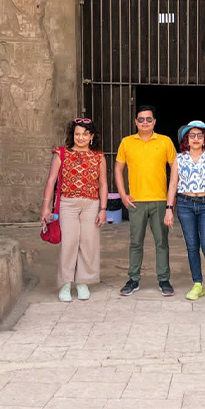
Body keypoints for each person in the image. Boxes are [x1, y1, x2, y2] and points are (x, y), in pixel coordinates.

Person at [41, 118, 107, 302]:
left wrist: (103, 208)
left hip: (91, 204)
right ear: (73, 135)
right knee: (69, 243)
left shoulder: (99, 157)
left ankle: (82, 282)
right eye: (77, 134)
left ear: (91, 136)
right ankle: (65, 283)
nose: (81, 137)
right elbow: (51, 181)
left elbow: (103, 183)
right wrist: (45, 208)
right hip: (67, 204)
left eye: (85, 134)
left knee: (88, 242)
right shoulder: (61, 153)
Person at [115, 105, 177, 296]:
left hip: (160, 200)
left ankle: (164, 279)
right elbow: (118, 169)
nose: (144, 122)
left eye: (149, 119)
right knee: (135, 242)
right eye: (141, 119)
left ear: (154, 122)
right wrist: (123, 194)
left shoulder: (165, 141)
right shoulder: (127, 142)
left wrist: (170, 201)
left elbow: (175, 170)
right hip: (136, 201)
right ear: (135, 122)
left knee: (162, 242)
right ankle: (133, 279)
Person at [164, 121, 205, 303]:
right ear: (187, 139)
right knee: (192, 246)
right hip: (185, 205)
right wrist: (169, 209)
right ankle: (198, 284)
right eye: (192, 135)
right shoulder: (179, 159)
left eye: (200, 135)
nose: (196, 139)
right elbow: (173, 184)